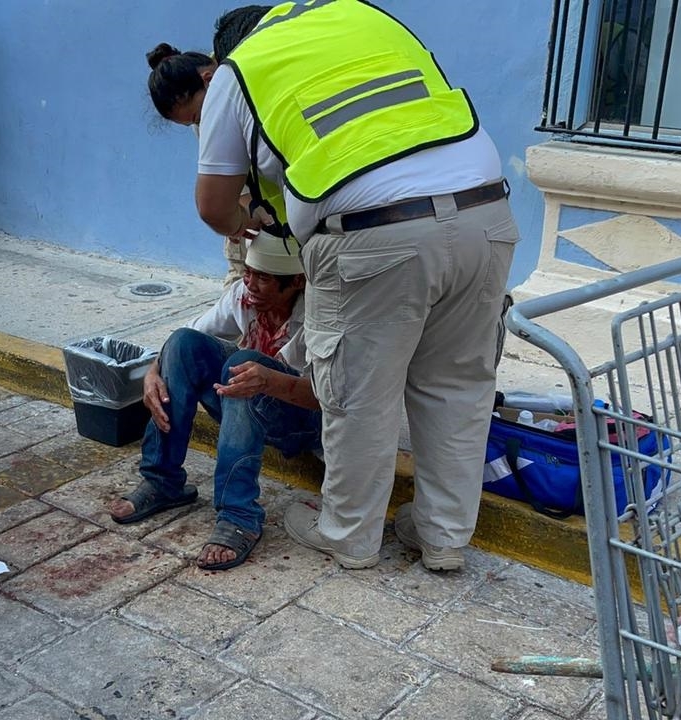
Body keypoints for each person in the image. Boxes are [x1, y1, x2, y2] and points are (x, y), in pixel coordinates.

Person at [154, 1, 520, 572]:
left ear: (219, 60)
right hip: (486, 211)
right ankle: (442, 539)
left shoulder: (237, 71)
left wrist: (240, 224)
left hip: (374, 232)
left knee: (357, 390)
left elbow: (212, 205)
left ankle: (349, 534)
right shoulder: (362, 17)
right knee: (458, 386)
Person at [108, 233, 321, 571]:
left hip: (298, 420)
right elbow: (183, 337)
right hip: (247, 403)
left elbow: (326, 398)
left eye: (263, 278)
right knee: (182, 344)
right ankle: (162, 481)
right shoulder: (243, 295)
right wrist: (153, 372)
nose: (249, 283)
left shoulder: (318, 316)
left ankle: (239, 515)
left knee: (246, 362)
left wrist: (268, 379)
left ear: (295, 281)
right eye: (248, 272)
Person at [146, 42, 296, 287]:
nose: (200, 124)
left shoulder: (245, 73)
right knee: (243, 286)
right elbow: (223, 186)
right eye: (191, 123)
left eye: (196, 116)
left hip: (292, 205)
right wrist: (248, 221)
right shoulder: (205, 116)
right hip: (254, 213)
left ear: (209, 79)